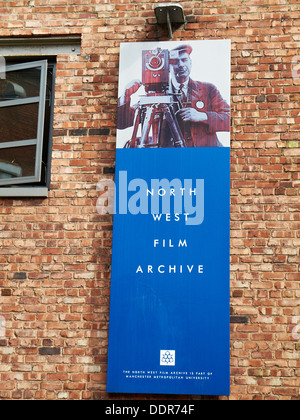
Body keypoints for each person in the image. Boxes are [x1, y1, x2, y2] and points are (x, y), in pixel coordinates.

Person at [117, 44, 230, 147]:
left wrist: (202, 116)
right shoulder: (156, 95)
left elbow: (229, 120)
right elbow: (123, 122)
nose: (180, 64)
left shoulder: (208, 89)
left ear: (190, 63)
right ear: (167, 67)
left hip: (204, 156)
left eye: (184, 60)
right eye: (175, 61)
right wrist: (126, 95)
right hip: (173, 159)